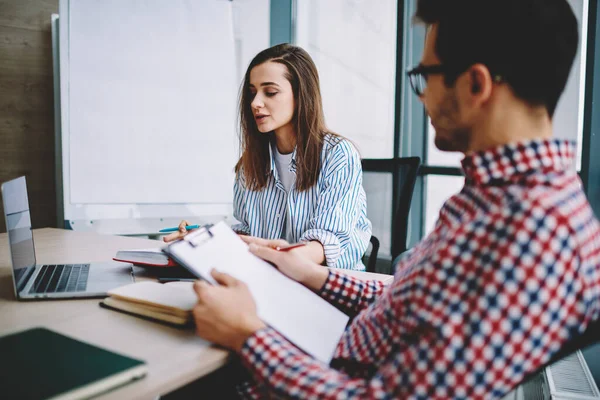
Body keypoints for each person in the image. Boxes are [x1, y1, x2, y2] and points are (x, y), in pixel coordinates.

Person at [190, 0, 600, 398]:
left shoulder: (531, 232)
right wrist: (309, 272)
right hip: (323, 347)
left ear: (475, 84)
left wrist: (248, 334)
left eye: (424, 76)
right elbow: (416, 298)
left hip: (308, 374)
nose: (421, 97)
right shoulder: (497, 197)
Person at [164, 44, 372, 271]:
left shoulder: (338, 154)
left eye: (270, 92)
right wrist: (203, 241)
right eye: (252, 93)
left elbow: (325, 246)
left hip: (330, 283)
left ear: (301, 95)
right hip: (272, 278)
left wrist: (272, 255)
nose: (255, 103)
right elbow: (247, 231)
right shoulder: (251, 162)